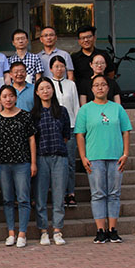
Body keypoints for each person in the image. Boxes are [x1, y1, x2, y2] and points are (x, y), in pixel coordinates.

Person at [75, 75, 132, 244]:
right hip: (94, 157)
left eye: (103, 85)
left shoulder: (117, 108)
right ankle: (100, 230)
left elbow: (126, 131)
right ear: (92, 89)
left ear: (108, 88)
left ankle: (112, 230)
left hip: (115, 157)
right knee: (98, 194)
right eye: (96, 85)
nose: (100, 88)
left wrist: (125, 154)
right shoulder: (85, 110)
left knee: (114, 194)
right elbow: (80, 135)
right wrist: (83, 157)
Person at [0, 85, 37, 248]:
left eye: (11, 96)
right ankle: (11, 232)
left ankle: (22, 233)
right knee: (7, 199)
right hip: (3, 164)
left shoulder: (25, 116)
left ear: (16, 98)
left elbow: (31, 139)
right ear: (0, 99)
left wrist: (33, 162)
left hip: (22, 162)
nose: (8, 99)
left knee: (23, 199)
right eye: (4, 96)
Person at [32, 77, 71, 246]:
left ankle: (57, 230)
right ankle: (43, 231)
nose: (45, 91)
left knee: (58, 196)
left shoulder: (62, 111)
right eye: (41, 88)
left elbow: (66, 135)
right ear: (36, 92)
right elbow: (32, 139)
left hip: (59, 157)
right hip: (41, 158)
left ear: (53, 90)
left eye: (48, 88)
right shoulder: (33, 114)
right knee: (40, 197)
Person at [50, 56, 80, 208]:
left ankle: (71, 192)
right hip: (54, 128)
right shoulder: (47, 84)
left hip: (71, 126)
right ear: (51, 69)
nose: (59, 69)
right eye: (56, 66)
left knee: (70, 162)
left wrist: (79, 127)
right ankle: (59, 193)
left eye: (62, 66)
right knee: (56, 163)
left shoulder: (71, 84)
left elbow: (76, 106)